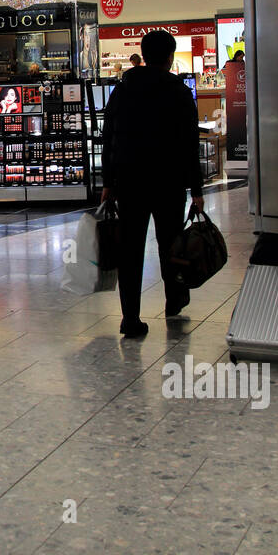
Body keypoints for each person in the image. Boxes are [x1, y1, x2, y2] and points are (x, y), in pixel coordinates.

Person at [101, 30, 204, 337]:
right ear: (170, 57)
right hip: (168, 181)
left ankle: (129, 318)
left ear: (143, 56)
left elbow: (110, 137)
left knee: (130, 250)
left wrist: (109, 180)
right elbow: (189, 143)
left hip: (130, 181)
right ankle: (174, 300)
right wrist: (196, 189)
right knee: (170, 243)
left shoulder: (123, 90)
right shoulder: (178, 91)